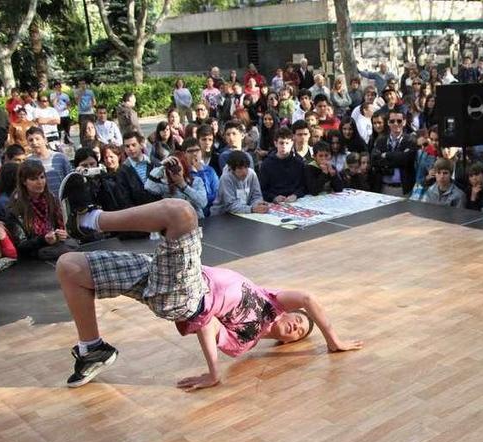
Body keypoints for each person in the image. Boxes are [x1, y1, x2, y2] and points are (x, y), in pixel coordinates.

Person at [55, 175, 363, 389]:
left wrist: (214, 373)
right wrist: (332, 340)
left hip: (187, 295)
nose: (296, 326)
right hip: (163, 275)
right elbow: (308, 299)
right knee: (69, 267)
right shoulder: (270, 301)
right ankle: (92, 349)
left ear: (285, 343)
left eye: (297, 333)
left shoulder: (246, 339)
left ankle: (87, 220)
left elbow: (206, 322)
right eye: (298, 320)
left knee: (181, 213)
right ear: (287, 311)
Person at [6, 160, 78, 260]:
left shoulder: (51, 199)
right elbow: (21, 245)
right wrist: (43, 240)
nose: (40, 182)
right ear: (24, 182)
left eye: (42, 177)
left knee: (73, 244)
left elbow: (60, 225)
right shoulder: (15, 208)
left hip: (56, 245)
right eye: (33, 179)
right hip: (34, 253)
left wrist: (61, 234)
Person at [145, 151, 208, 220]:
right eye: (171, 167)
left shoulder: (196, 181)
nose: (175, 170)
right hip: (176, 224)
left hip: (196, 221)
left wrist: (183, 185)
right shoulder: (165, 185)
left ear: (184, 166)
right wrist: (161, 166)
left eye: (177, 166)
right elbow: (148, 187)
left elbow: (203, 203)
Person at [259, 126, 307, 203]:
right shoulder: (266, 164)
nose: (284, 146)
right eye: (281, 143)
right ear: (275, 143)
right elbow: (262, 189)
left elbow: (303, 186)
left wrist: (295, 195)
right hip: (274, 202)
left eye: (287, 143)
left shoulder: (299, 163)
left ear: (292, 143)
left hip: (296, 201)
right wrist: (273, 197)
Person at [26, 126, 72, 196]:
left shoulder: (60, 158)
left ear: (45, 140)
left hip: (62, 200)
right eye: (31, 140)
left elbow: (70, 178)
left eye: (37, 139)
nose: (34, 142)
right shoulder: (28, 162)